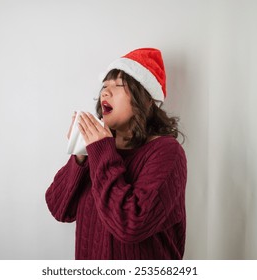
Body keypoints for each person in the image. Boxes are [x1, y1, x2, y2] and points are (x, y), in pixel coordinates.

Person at [45, 48, 187, 260]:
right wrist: (80, 156)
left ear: (146, 99)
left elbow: (130, 225)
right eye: (104, 86)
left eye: (118, 86)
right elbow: (59, 209)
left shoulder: (167, 152)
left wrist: (101, 151)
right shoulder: (96, 151)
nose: (105, 92)